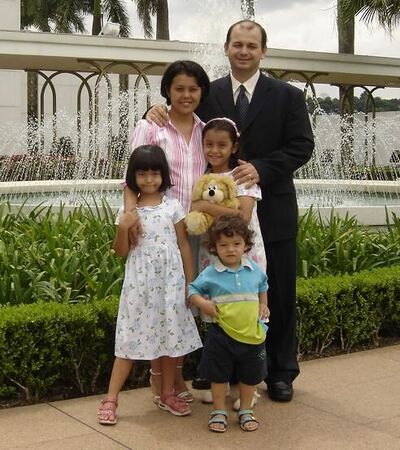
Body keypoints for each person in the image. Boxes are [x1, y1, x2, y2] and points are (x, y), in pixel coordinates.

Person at [147, 20, 315, 402]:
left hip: (271, 211)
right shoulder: (211, 93)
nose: (243, 51)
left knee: (277, 292)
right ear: (226, 48)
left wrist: (263, 168)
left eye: (251, 45)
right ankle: (217, 369)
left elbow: (302, 146)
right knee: (221, 290)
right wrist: (156, 110)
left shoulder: (288, 96)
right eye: (237, 44)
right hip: (218, 224)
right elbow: (183, 110)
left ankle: (280, 372)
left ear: (263, 51)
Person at [125, 60, 210, 403]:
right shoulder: (151, 127)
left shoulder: (207, 130)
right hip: (159, 231)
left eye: (193, 89)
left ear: (202, 92)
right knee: (160, 304)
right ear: (167, 91)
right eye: (179, 88)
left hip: (198, 231)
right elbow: (130, 177)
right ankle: (160, 378)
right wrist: (131, 217)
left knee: (183, 305)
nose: (186, 95)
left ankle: (175, 378)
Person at [97, 145, 202, 424]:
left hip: (170, 282)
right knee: (128, 340)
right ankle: (111, 398)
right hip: (139, 285)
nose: (149, 179)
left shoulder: (173, 206)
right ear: (133, 176)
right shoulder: (129, 211)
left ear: (163, 175)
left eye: (155, 173)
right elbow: (120, 251)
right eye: (142, 174)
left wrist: (190, 283)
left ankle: (167, 393)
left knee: (169, 338)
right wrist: (122, 227)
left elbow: (183, 245)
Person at [191, 116, 266, 409]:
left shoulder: (242, 176)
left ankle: (250, 388)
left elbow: (241, 218)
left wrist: (205, 206)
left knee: (246, 322)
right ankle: (222, 384)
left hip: (245, 258)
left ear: (234, 146)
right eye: (208, 144)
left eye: (222, 145)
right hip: (213, 259)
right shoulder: (202, 176)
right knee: (220, 324)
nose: (214, 150)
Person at [188, 215, 269, 432]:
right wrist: (203, 304)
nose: (231, 249)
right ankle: (218, 410)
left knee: (250, 375)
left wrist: (263, 305)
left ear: (246, 245)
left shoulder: (253, 269)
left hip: (251, 334)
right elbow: (192, 290)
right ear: (214, 247)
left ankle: (245, 410)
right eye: (223, 245)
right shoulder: (211, 273)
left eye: (236, 244)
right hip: (221, 334)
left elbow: (263, 285)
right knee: (218, 374)